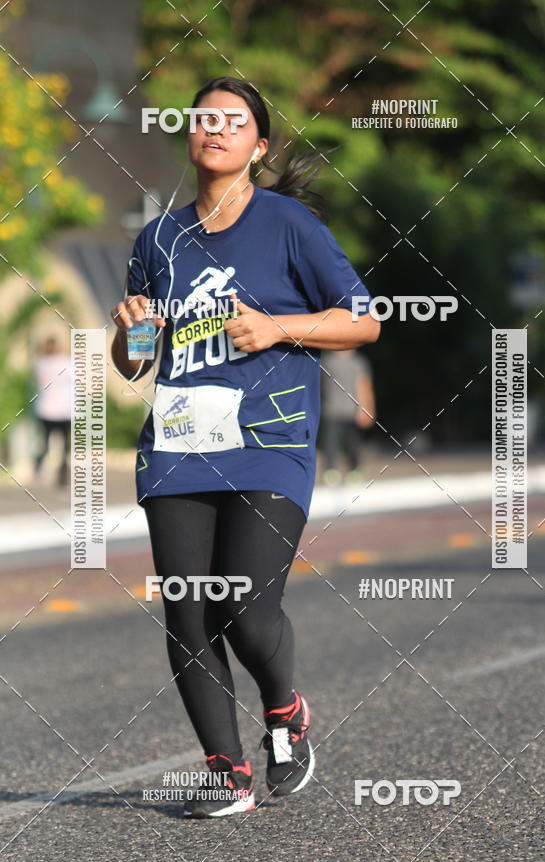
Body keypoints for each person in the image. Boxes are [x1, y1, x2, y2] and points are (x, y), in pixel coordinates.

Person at [110, 76, 379, 819]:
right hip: (177, 446)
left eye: (234, 122)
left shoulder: (289, 225)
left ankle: (286, 710)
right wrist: (133, 330)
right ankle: (226, 773)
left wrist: (278, 328)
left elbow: (364, 321)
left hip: (268, 439)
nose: (215, 128)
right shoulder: (158, 239)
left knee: (248, 609)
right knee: (190, 610)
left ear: (258, 147)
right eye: (203, 119)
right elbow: (135, 362)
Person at [319, 348, 376, 484]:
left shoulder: (358, 362)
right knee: (330, 444)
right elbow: (321, 385)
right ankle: (330, 472)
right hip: (331, 410)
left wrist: (367, 409)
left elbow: (364, 385)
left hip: (352, 411)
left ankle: (354, 470)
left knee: (353, 444)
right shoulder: (327, 361)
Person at [32, 336, 72, 488]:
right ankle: (62, 479)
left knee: (44, 443)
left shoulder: (41, 364)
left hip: (45, 410)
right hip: (63, 411)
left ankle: (37, 470)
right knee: (64, 448)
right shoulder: (66, 363)